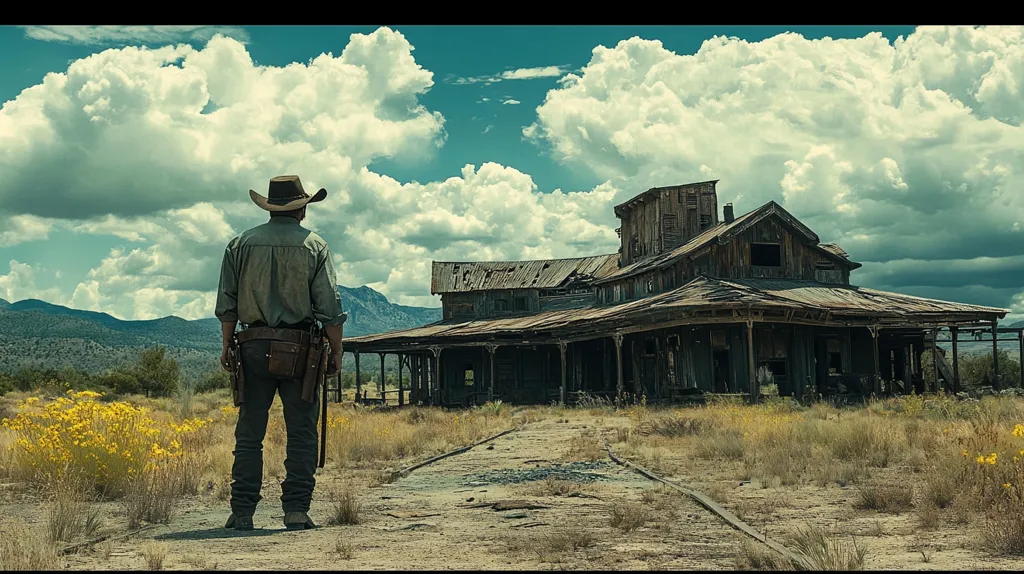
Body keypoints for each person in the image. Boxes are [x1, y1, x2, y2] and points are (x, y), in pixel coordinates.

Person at [214, 175, 347, 531]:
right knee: (302, 432)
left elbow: (227, 302)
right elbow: (329, 306)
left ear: (270, 208)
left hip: (252, 344)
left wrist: (226, 344)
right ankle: (296, 510)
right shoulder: (315, 245)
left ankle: (242, 511)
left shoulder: (240, 244)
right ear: (302, 209)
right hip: (300, 350)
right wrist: (336, 350)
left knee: (249, 432)